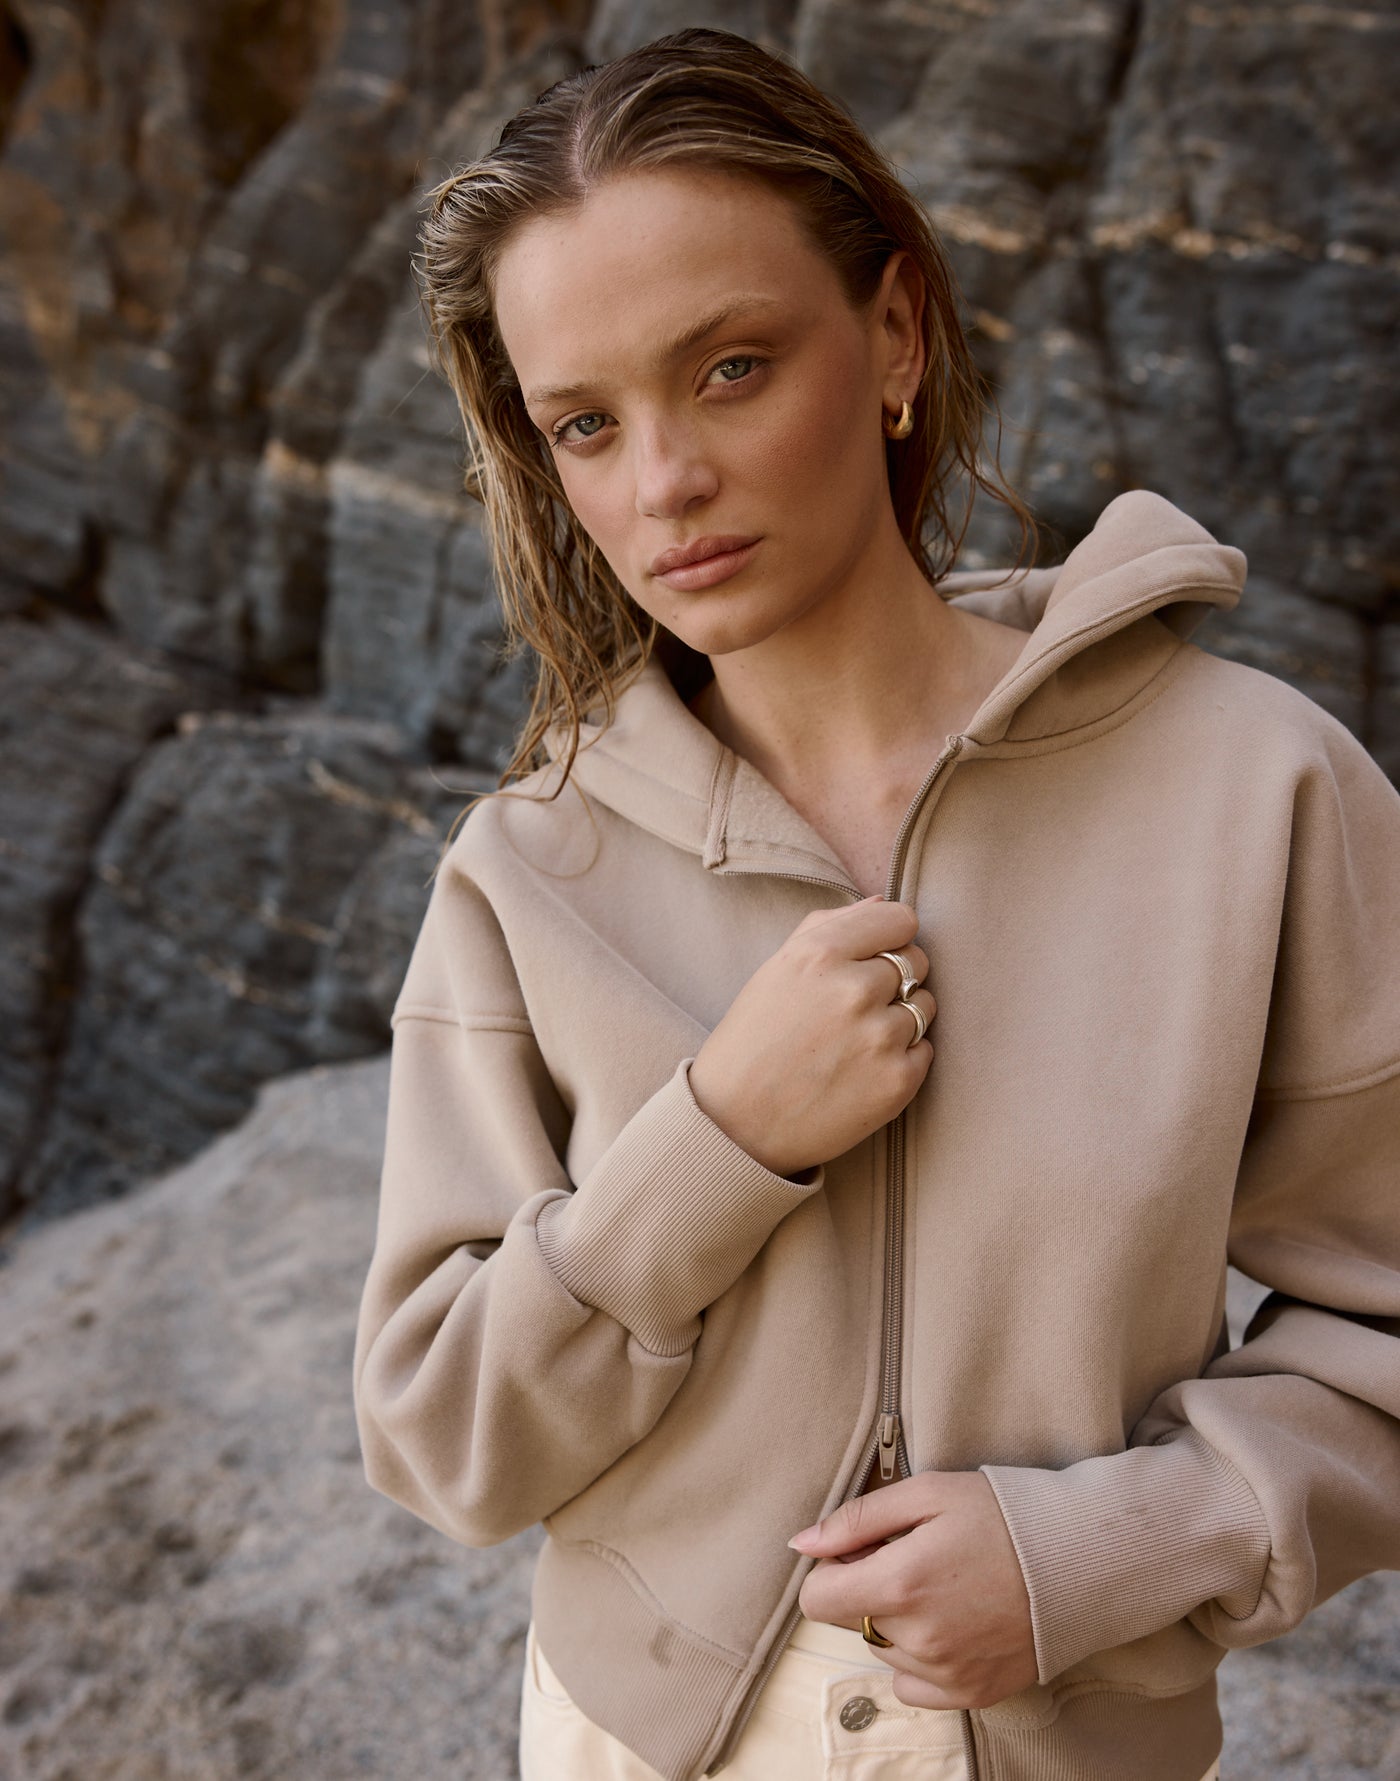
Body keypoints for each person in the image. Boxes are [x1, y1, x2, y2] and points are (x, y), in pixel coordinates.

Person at [351, 28, 1400, 1781]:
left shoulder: (1258, 788)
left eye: (732, 368)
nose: (662, 482)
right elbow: (442, 1435)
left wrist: (1102, 1550)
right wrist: (715, 1144)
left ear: (896, 333)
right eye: (585, 423)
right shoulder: (526, 872)